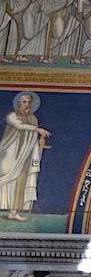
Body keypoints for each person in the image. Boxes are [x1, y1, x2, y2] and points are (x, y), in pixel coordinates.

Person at [0, 91, 51, 220]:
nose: (27, 105)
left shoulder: (33, 119)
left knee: (20, 182)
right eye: (24, 102)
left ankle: (13, 212)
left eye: (29, 102)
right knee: (4, 180)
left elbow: (32, 139)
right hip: (9, 156)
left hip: (24, 156)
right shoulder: (12, 116)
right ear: (18, 104)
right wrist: (37, 129)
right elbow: (19, 126)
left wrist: (36, 151)